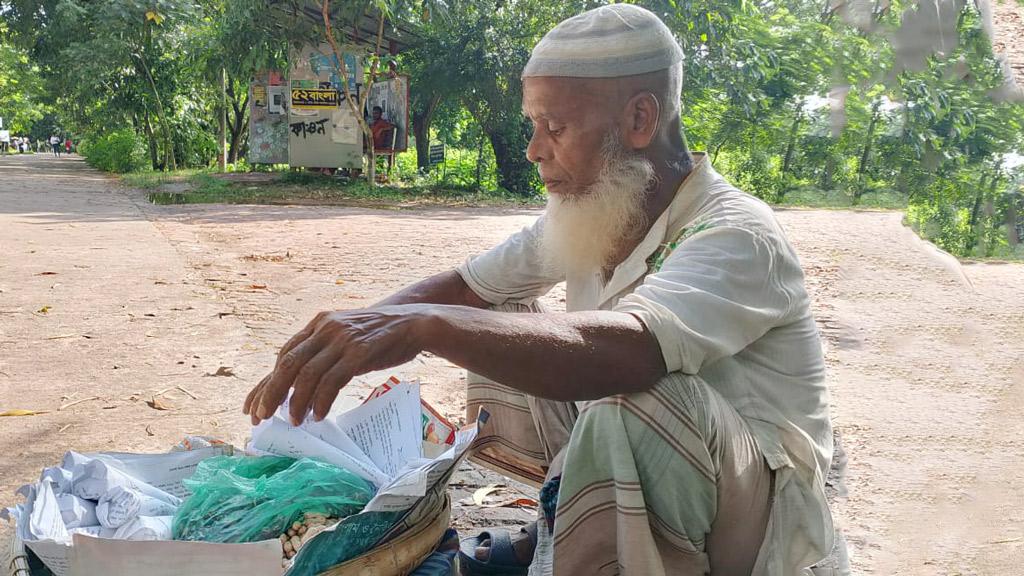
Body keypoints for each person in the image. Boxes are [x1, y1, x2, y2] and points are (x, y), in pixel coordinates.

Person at [243, 5, 834, 575]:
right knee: (495, 313)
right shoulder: (597, 212)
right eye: (533, 127)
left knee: (634, 390)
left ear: (639, 121)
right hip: (665, 476)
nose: (534, 150)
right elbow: (471, 287)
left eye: (555, 128)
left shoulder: (737, 234)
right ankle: (567, 522)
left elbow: (627, 353)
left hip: (754, 540)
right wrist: (349, 338)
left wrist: (425, 326)